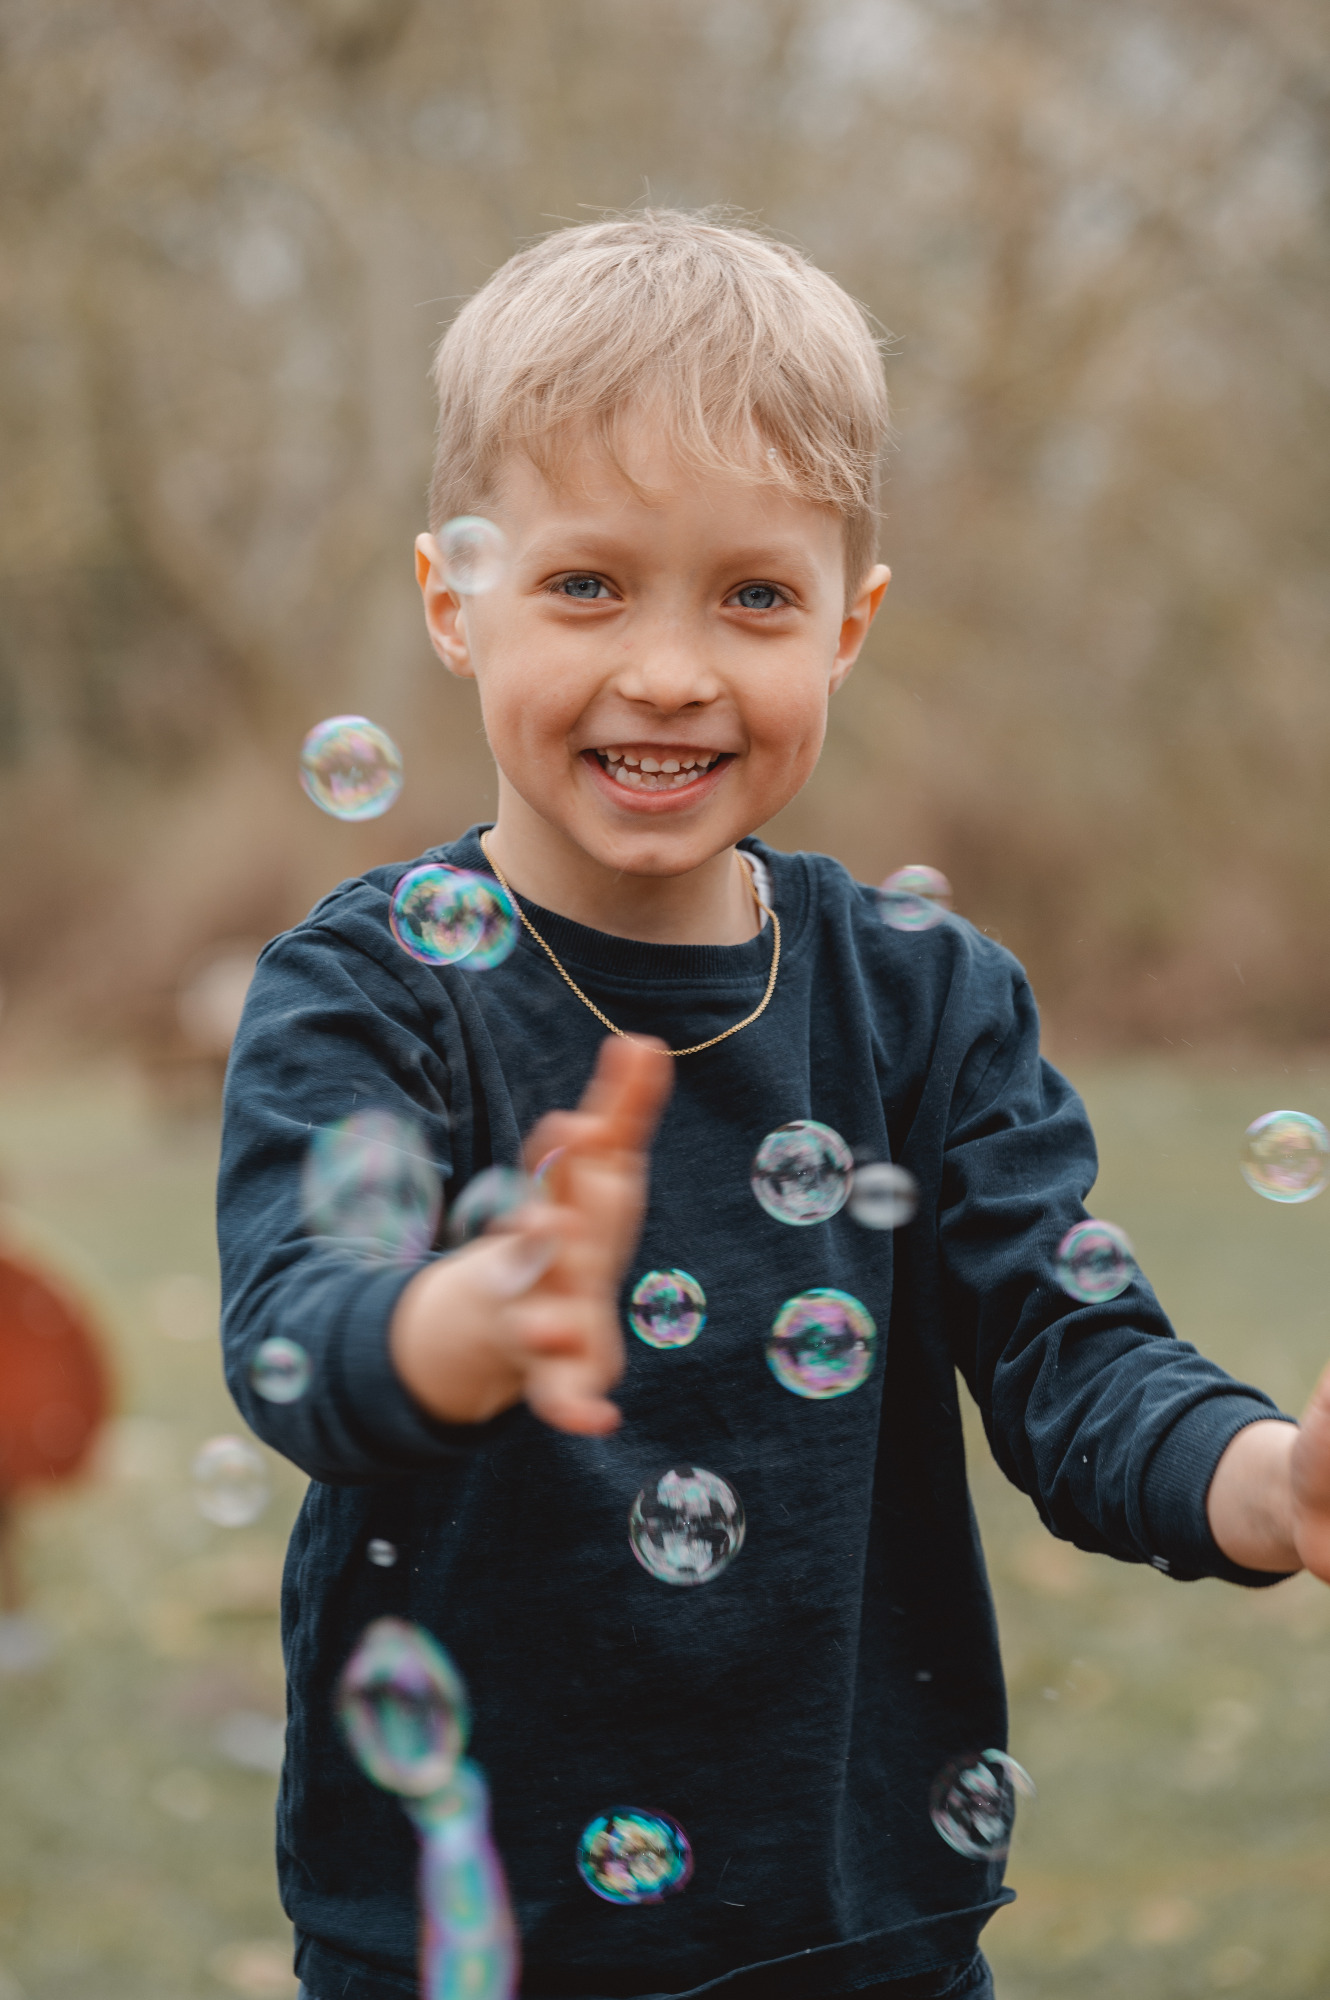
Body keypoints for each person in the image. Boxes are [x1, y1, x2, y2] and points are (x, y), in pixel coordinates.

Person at [217, 210, 1330, 2000]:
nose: (670, 669)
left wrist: (1271, 1486)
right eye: (587, 586)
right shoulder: (372, 991)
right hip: (461, 1933)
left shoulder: (923, 1002)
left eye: (752, 596)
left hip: (857, 1927)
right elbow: (299, 1336)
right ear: (452, 601)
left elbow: (1069, 1353)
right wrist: (469, 1316)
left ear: (848, 626)